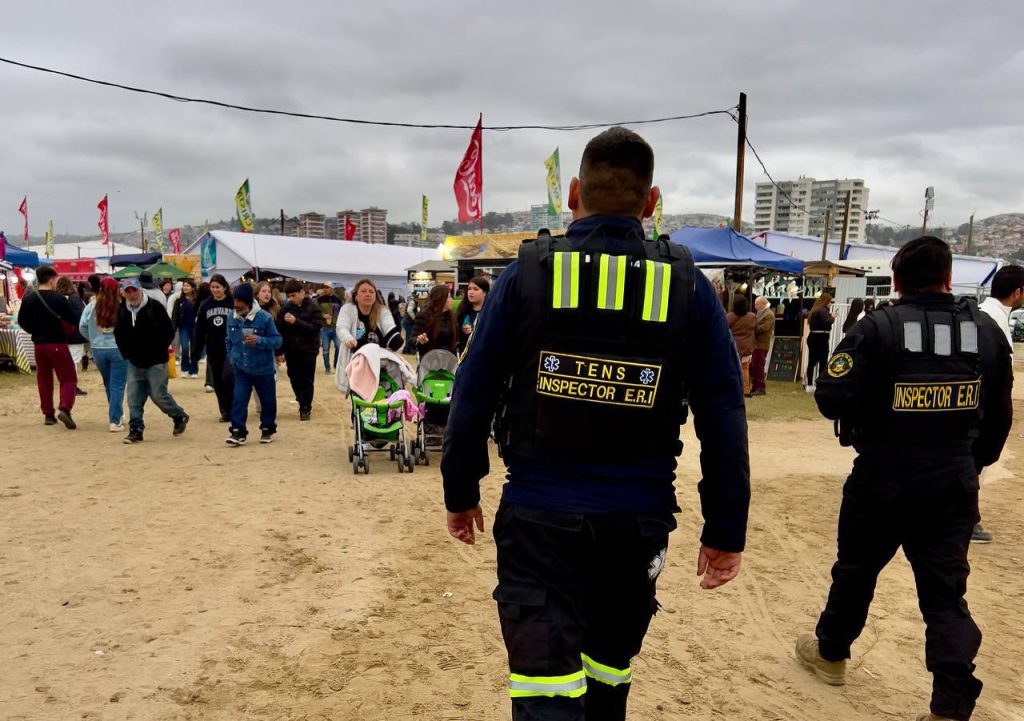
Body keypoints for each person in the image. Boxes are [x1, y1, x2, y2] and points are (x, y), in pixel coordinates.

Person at [441, 127, 750, 720]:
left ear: (573, 193)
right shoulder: (686, 285)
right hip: (635, 524)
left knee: (545, 689)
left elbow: (472, 391)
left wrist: (461, 491)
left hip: (539, 519)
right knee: (608, 674)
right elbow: (723, 415)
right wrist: (725, 528)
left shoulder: (527, 274)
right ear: (651, 202)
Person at [796, 237, 1012, 721]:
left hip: (883, 475)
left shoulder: (877, 328)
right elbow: (998, 416)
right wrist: (971, 465)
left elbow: (832, 395)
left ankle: (831, 654)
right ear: (949, 278)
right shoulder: (984, 332)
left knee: (855, 571)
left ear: (895, 281)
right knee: (945, 593)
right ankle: (951, 704)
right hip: (952, 482)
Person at [972, 264, 1024, 543]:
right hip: (983, 409)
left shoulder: (988, 315)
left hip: (981, 407)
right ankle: (968, 519)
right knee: (974, 466)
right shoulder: (992, 321)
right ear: (1017, 293)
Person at [114, 278, 189, 444]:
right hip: (134, 361)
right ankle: (136, 430)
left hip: (156, 360)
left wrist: (159, 348)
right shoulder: (121, 310)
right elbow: (118, 333)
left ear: (140, 289)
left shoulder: (155, 307)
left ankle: (178, 415)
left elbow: (168, 331)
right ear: (123, 292)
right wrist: (126, 352)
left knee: (158, 395)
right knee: (133, 396)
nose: (131, 294)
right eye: (128, 291)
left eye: (134, 290)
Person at [16, 265, 79, 428]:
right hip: (57, 342)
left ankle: (48, 414)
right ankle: (65, 407)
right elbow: (72, 319)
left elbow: (21, 321)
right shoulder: (59, 298)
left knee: (44, 379)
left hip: (39, 344)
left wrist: (35, 330)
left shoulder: (29, 298)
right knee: (68, 377)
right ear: (51, 280)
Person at [224, 283, 282, 445]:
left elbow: (277, 340)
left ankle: (267, 428)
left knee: (268, 401)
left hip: (263, 368)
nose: (236, 305)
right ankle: (237, 431)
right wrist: (232, 356)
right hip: (241, 368)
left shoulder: (264, 317)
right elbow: (228, 339)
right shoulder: (231, 317)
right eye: (234, 300)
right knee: (239, 399)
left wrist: (259, 340)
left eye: (239, 301)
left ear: (248, 302)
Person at [79, 277, 128, 431]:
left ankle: (117, 414)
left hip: (98, 350)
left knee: (109, 383)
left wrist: (93, 339)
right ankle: (115, 419)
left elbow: (82, 326)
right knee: (118, 384)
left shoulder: (91, 306)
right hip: (119, 349)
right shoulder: (122, 307)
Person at [276, 278, 323, 421]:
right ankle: (301, 399)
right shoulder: (285, 309)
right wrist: (280, 351)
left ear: (302, 292)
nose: (291, 299)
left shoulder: (314, 307)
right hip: (292, 350)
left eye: (293, 295)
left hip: (309, 349)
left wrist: (296, 322)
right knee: (294, 377)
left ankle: (305, 407)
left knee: (307, 379)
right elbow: (280, 330)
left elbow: (315, 327)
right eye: (289, 296)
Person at [192, 274, 235, 421]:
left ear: (225, 287)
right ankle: (224, 410)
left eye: (218, 287)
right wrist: (196, 350)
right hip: (213, 347)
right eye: (213, 287)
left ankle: (234, 407)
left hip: (231, 348)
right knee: (217, 380)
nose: (215, 290)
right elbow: (200, 329)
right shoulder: (206, 305)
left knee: (228, 377)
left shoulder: (233, 303)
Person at [336, 278, 403, 371]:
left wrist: (395, 338)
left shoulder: (383, 311)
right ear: (356, 296)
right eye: (363, 291)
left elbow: (389, 326)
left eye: (371, 292)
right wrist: (348, 338)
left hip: (379, 360)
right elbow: (341, 328)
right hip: (355, 360)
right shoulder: (347, 309)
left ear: (375, 296)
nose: (368, 294)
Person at [55, 276, 89, 396]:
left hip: (60, 335)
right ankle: (71, 386)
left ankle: (66, 385)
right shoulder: (75, 298)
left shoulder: (56, 298)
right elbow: (82, 316)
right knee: (73, 362)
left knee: (65, 362)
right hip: (75, 335)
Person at [413, 284, 459, 356]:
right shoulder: (424, 316)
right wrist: (420, 340)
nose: (451, 300)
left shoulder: (452, 317)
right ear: (441, 298)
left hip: (449, 361)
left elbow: (457, 340)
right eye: (449, 297)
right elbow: (413, 339)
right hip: (430, 360)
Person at [726, 295, 757, 396]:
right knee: (745, 368)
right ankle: (746, 389)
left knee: (731, 369)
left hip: (733, 346)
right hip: (747, 346)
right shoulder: (752, 317)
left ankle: (733, 389)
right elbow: (755, 328)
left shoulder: (730, 316)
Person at [805, 292, 835, 391]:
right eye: (830, 302)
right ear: (826, 301)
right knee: (822, 361)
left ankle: (809, 382)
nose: (831, 304)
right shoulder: (823, 310)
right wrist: (833, 316)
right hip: (820, 337)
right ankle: (818, 383)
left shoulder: (816, 309)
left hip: (814, 337)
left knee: (812, 361)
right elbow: (826, 321)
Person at [171, 279, 199, 378]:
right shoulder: (179, 301)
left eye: (187, 286)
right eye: (184, 286)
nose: (185, 287)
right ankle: (185, 368)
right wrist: (173, 327)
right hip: (183, 327)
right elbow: (174, 315)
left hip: (195, 327)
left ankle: (194, 369)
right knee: (185, 347)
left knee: (194, 348)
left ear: (193, 288)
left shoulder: (197, 300)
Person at [457, 276, 490, 356]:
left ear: (484, 293)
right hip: (465, 358)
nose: (471, 292)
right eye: (469, 289)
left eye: (475, 289)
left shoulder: (490, 313)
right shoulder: (462, 312)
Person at [751, 295, 775, 396]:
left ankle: (761, 388)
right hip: (756, 345)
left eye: (757, 304)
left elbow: (765, 328)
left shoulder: (769, 314)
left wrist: (752, 328)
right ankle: (755, 386)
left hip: (762, 344)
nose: (755, 306)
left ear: (763, 304)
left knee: (759, 366)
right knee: (754, 366)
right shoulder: (760, 314)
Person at [318, 283, 344, 373]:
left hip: (336, 328)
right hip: (324, 328)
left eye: (327, 287)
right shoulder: (319, 300)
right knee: (325, 349)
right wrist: (323, 315)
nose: (325, 289)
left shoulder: (338, 300)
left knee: (339, 347)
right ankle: (327, 368)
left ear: (332, 288)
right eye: (324, 287)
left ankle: (336, 365)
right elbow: (316, 312)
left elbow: (341, 313)